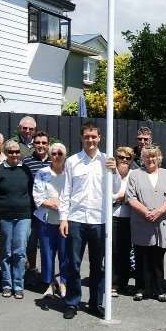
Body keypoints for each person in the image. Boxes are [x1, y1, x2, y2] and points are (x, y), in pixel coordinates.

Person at [59, 122, 121, 320]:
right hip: (76, 219)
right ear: (82, 138)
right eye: (87, 136)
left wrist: (115, 171)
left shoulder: (107, 161)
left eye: (94, 136)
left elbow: (116, 190)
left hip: (100, 220)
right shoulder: (72, 161)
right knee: (73, 265)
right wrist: (63, 218)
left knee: (98, 266)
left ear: (100, 138)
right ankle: (72, 302)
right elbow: (65, 191)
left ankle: (95, 303)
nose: (90, 140)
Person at [127, 145, 166, 302]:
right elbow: (131, 197)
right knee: (141, 257)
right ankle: (141, 288)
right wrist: (146, 212)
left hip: (161, 223)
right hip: (141, 222)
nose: (150, 159)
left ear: (159, 158)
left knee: (157, 257)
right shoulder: (135, 174)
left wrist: (158, 212)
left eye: (153, 156)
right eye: (147, 157)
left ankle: (158, 289)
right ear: (142, 159)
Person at [0, 140, 33, 299]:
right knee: (6, 252)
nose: (14, 155)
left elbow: (31, 191)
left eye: (17, 152)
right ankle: (6, 284)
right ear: (5, 152)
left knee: (20, 252)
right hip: (4, 216)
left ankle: (18, 285)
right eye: (11, 152)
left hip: (23, 216)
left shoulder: (26, 170)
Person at [33, 143, 68, 298]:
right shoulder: (42, 173)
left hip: (65, 220)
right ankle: (48, 284)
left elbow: (75, 194)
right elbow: (38, 196)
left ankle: (63, 283)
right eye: (53, 153)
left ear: (64, 155)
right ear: (49, 154)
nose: (57, 156)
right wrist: (53, 203)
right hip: (46, 219)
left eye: (60, 153)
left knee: (65, 253)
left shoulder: (69, 173)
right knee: (47, 253)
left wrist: (62, 207)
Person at [23, 130, 52, 276]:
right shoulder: (26, 161)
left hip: (51, 211)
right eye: (38, 142)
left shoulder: (55, 160)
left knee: (48, 244)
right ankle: (32, 269)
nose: (41, 145)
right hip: (32, 209)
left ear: (48, 145)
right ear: (33, 144)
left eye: (44, 143)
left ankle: (48, 274)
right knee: (31, 242)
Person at [111, 146, 134, 297]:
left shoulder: (135, 175)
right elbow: (106, 194)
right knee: (113, 251)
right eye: (121, 157)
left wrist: (118, 197)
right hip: (112, 216)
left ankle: (124, 283)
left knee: (126, 252)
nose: (124, 160)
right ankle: (113, 282)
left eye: (127, 158)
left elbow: (132, 195)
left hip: (130, 218)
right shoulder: (111, 173)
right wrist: (120, 197)